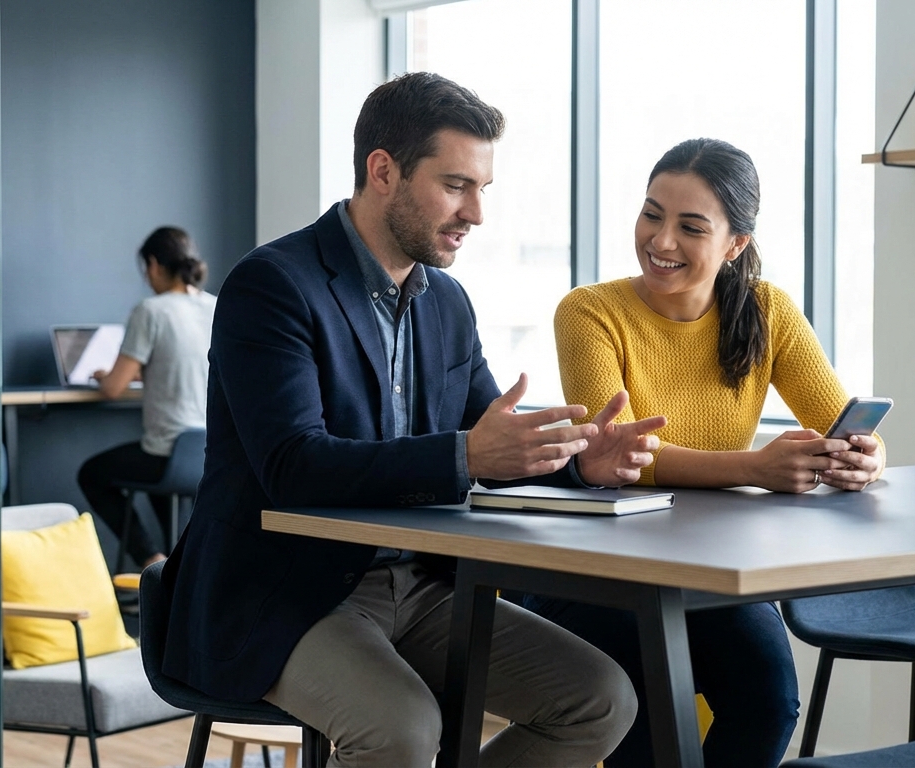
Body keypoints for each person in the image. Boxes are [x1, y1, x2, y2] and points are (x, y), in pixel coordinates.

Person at [160, 72, 667, 768]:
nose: (477, 213)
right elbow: (293, 465)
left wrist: (582, 464)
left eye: (483, 188)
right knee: (400, 727)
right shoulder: (272, 285)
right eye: (457, 185)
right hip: (286, 591)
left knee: (601, 697)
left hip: (423, 585)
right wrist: (465, 456)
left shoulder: (447, 303)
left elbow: (493, 440)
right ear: (383, 171)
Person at [530, 137, 886, 767]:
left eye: (690, 227)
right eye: (651, 214)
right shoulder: (589, 312)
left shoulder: (767, 309)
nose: (661, 241)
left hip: (713, 573)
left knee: (769, 705)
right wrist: (755, 468)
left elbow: (836, 418)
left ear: (735, 244)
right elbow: (620, 453)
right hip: (601, 574)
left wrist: (868, 452)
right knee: (646, 725)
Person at [77, 227, 216, 569]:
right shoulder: (214, 306)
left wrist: (106, 376)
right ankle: (180, 567)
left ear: (153, 265)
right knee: (157, 481)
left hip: (168, 451)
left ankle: (150, 558)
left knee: (91, 474)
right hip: (207, 452)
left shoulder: (151, 310)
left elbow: (112, 388)